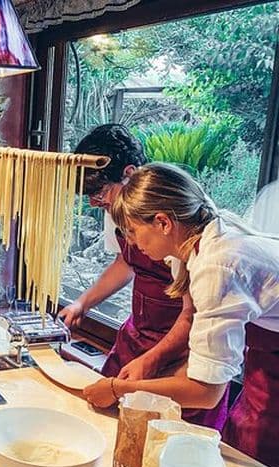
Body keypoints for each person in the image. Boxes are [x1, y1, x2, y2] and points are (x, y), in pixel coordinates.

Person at [83, 163, 279, 467]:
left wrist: (117, 390)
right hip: (268, 344)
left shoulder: (218, 266)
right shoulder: (187, 246)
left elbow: (206, 392)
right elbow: (190, 314)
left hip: (272, 350)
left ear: (162, 222)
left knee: (258, 453)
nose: (132, 243)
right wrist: (151, 360)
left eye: (133, 231)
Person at [57, 124, 226, 429]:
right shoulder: (126, 215)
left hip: (183, 343)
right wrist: (83, 303)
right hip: (140, 333)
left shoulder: (189, 236)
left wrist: (153, 360)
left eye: (100, 192)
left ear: (130, 173)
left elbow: (192, 317)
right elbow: (127, 262)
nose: (96, 203)